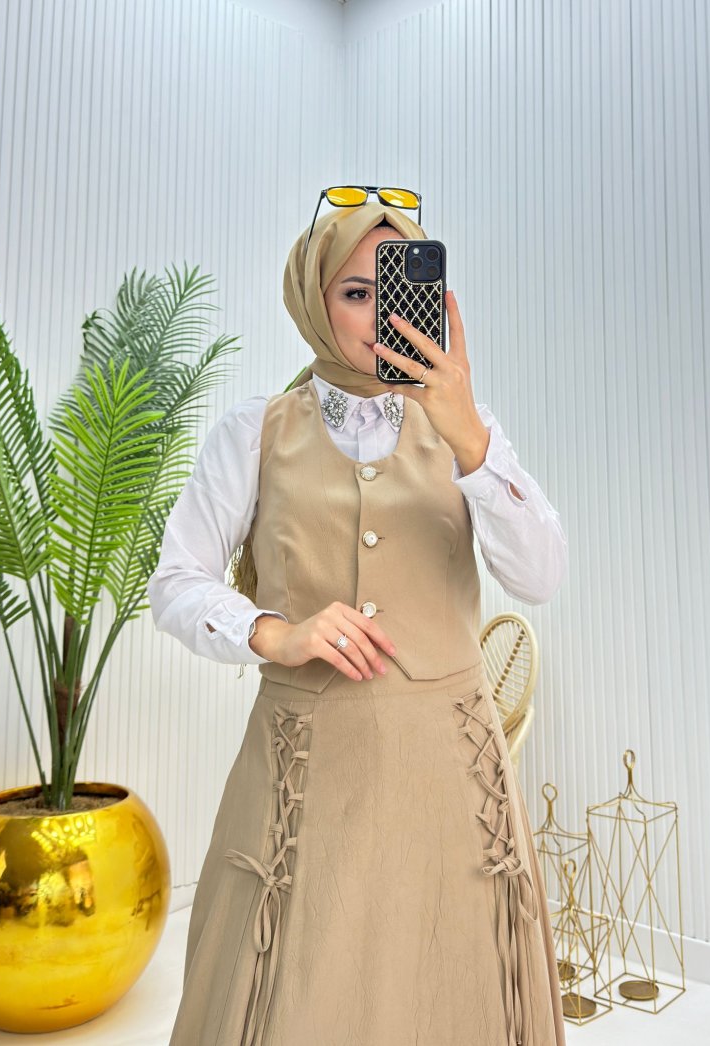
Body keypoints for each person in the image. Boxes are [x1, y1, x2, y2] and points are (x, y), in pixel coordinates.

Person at [147, 197, 569, 1046]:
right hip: (303, 778)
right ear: (313, 301)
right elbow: (176, 582)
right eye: (354, 292)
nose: (380, 313)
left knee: (449, 986)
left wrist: (471, 441)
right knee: (301, 993)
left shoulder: (469, 433)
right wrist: (275, 632)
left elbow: (541, 575)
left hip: (451, 780)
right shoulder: (255, 432)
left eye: (397, 289)